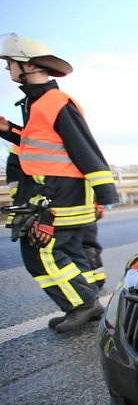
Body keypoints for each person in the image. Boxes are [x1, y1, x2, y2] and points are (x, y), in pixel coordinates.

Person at [0, 33, 118, 333]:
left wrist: (104, 193)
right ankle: (89, 304)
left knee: (40, 253)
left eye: (10, 63)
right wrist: (7, 129)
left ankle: (82, 304)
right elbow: (37, 146)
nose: (7, 69)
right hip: (56, 191)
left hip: (58, 193)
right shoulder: (35, 104)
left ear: (27, 66)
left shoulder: (54, 102)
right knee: (71, 250)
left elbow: (83, 146)